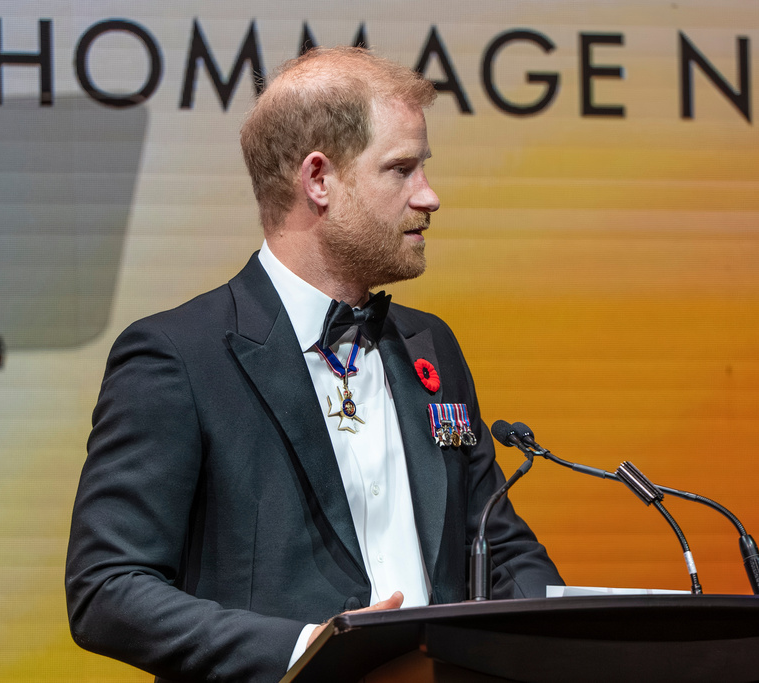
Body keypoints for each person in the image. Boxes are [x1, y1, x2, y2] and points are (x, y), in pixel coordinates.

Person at [65, 46, 562, 683]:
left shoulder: (430, 345)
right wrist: (310, 649)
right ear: (319, 179)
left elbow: (496, 543)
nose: (429, 196)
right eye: (401, 169)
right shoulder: (179, 357)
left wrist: (567, 637)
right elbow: (107, 590)